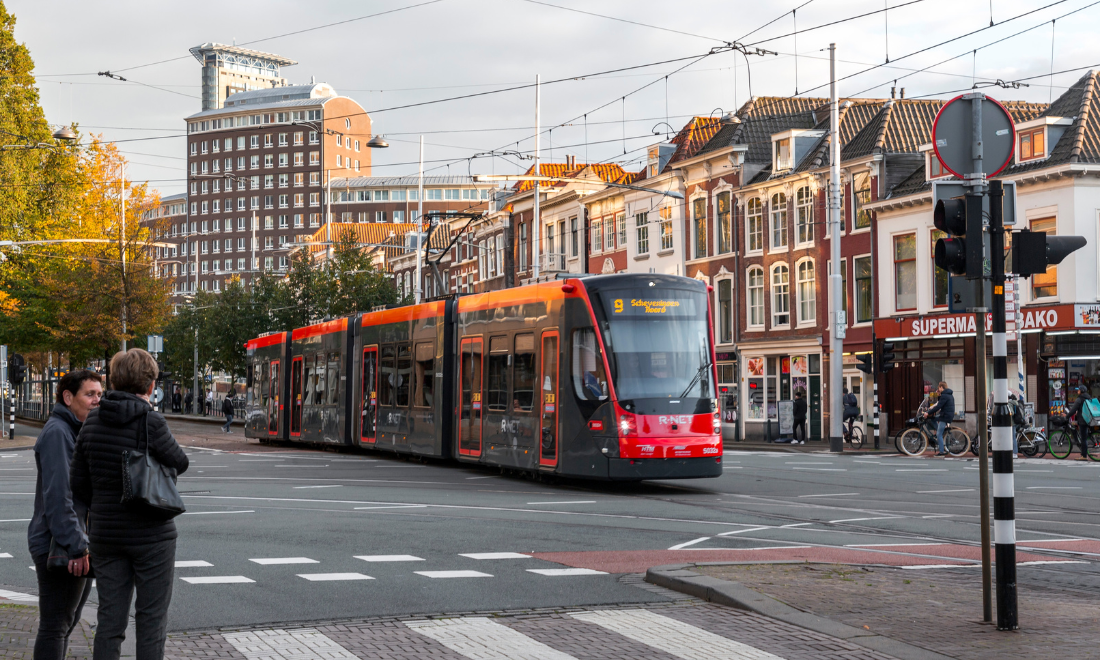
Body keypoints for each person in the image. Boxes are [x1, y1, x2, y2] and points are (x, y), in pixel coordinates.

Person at [70, 349, 189, 660]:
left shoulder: (92, 422)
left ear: (115, 381)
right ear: (150, 385)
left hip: (107, 536)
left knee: (110, 619)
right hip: (152, 536)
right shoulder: (151, 420)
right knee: (151, 620)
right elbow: (180, 462)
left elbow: (78, 484)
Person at [29, 369, 103, 660]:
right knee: (55, 626)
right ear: (68, 397)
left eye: (100, 394)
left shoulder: (75, 429)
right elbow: (59, 498)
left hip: (72, 540)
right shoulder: (58, 433)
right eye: (90, 394)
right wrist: (77, 546)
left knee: (65, 623)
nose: (97, 400)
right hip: (59, 543)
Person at [923, 381, 955, 457]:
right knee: (933, 419)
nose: (938, 389)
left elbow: (938, 406)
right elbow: (941, 403)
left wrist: (928, 413)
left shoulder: (944, 395)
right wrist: (938, 395)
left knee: (939, 434)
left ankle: (941, 452)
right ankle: (938, 431)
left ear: (941, 387)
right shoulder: (948, 394)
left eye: (939, 387)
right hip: (947, 415)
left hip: (945, 416)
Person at [1065, 384, 1092, 461]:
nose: (1077, 391)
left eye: (1078, 390)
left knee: (1083, 439)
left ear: (1081, 391)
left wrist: (1067, 416)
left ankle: (1084, 456)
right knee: (1084, 436)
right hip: (1089, 419)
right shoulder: (1089, 397)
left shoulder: (1079, 399)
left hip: (1083, 420)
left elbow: (1073, 410)